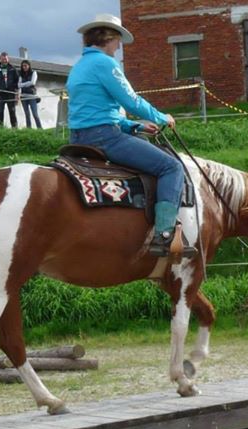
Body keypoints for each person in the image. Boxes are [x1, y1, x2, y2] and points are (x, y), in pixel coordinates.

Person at [66, 13, 191, 257]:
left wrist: (134, 127)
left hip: (79, 137)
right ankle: (164, 235)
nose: (119, 46)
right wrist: (161, 117)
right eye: (118, 39)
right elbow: (131, 101)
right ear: (107, 37)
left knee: (144, 146)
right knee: (171, 167)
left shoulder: (79, 67)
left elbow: (95, 113)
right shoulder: (105, 64)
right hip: (104, 137)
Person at [19, 60, 43, 129]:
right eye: (23, 66)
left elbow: (32, 83)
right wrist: (27, 84)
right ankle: (29, 129)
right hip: (23, 96)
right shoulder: (20, 74)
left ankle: (40, 129)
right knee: (27, 114)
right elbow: (18, 85)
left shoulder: (34, 73)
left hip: (32, 96)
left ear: (29, 66)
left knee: (35, 114)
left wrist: (23, 84)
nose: (24, 67)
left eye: (25, 65)